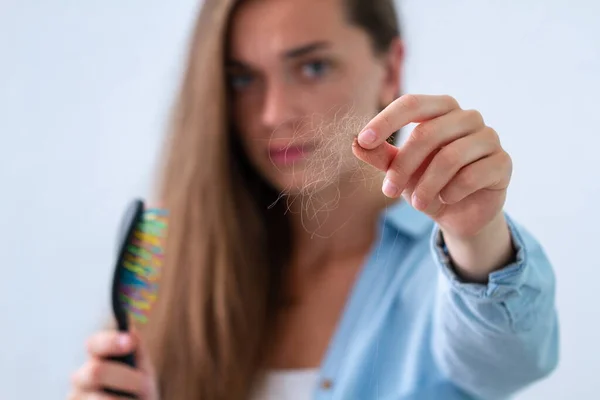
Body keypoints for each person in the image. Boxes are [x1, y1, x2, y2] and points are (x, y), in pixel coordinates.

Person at [68, 0, 559, 399]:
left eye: (312, 66)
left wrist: (475, 235)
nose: (272, 113)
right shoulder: (176, 284)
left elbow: (512, 359)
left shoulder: (442, 276)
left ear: (391, 68)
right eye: (242, 78)